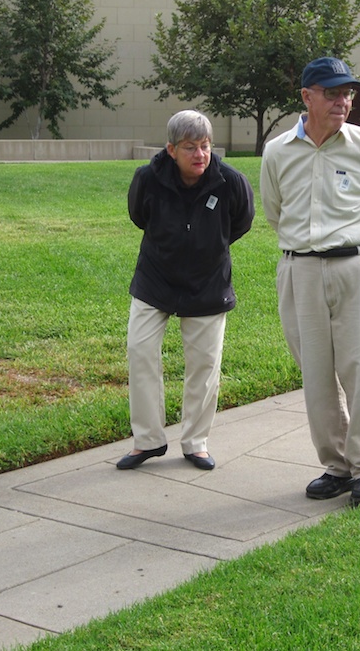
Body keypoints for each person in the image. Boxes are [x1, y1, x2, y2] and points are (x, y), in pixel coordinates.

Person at [259, 57, 360, 506]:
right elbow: (274, 212)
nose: (345, 100)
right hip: (299, 270)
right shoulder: (278, 151)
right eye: (333, 92)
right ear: (307, 97)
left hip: (359, 268)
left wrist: (359, 249)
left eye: (349, 93)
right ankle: (337, 465)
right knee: (317, 376)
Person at [117, 110, 255, 472]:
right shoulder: (148, 178)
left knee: (204, 365)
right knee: (140, 350)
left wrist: (207, 245)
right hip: (155, 279)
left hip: (207, 282)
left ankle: (195, 442)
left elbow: (241, 221)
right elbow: (139, 215)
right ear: (171, 149)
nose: (200, 154)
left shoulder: (230, 181)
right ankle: (147, 440)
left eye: (205, 146)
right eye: (190, 147)